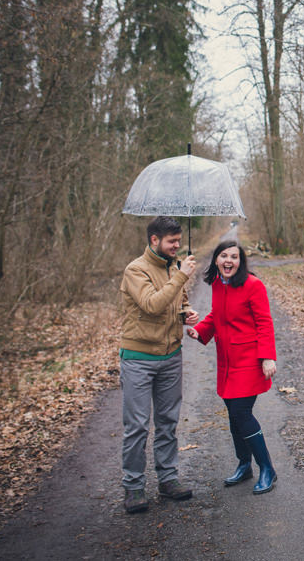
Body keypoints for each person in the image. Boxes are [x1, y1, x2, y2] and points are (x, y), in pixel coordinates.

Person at [119, 216, 199, 514]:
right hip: (139, 359)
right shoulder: (135, 270)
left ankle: (168, 480)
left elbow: (177, 302)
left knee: (167, 422)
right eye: (171, 242)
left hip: (170, 357)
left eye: (178, 241)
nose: (176, 246)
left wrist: (186, 313)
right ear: (155, 240)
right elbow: (151, 304)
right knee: (137, 426)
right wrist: (181, 276)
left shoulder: (173, 268)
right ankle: (134, 486)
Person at [186, 240, 278, 495]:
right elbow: (216, 316)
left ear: (241, 261)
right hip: (227, 362)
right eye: (224, 256)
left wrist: (267, 357)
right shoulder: (218, 284)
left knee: (241, 412)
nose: (229, 261)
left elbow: (264, 322)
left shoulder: (253, 285)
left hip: (249, 360)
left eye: (234, 257)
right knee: (233, 414)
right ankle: (244, 465)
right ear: (216, 260)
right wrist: (200, 330)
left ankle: (267, 469)